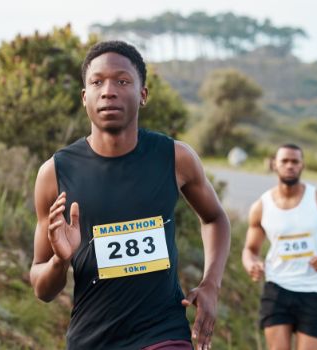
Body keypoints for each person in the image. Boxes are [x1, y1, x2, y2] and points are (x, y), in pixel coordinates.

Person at [28, 40, 230, 350]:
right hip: (91, 339)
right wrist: (59, 260)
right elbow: (41, 289)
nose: (109, 90)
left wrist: (211, 284)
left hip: (164, 334)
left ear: (143, 94)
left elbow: (215, 218)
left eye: (122, 81)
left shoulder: (175, 158)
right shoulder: (55, 173)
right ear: (85, 97)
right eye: (97, 82)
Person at [242, 144, 317, 350]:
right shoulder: (261, 206)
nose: (290, 166)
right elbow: (250, 249)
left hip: (313, 290)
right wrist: (251, 264)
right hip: (277, 287)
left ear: (302, 165)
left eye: (295, 161)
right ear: (274, 164)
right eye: (284, 161)